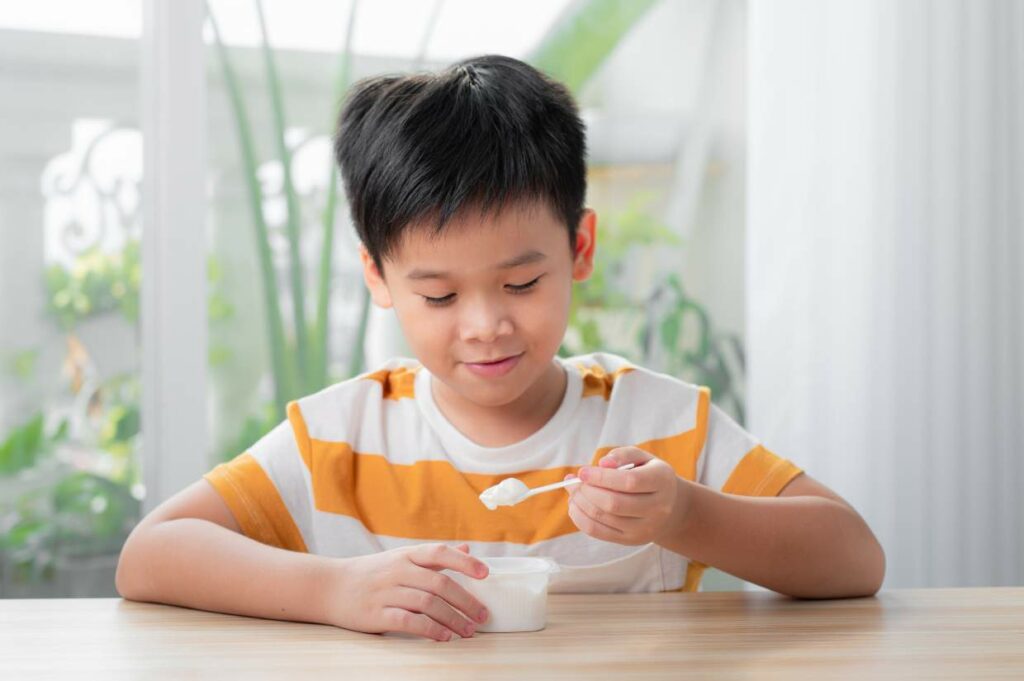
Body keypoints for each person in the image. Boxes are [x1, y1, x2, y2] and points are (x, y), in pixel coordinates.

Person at [116, 55, 885, 643]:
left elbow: (854, 559)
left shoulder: (654, 424)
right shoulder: (341, 437)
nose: (484, 324)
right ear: (378, 277)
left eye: (520, 283)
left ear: (579, 247)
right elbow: (151, 555)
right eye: (440, 296)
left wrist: (683, 512)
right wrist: (335, 591)